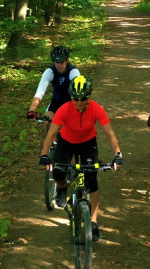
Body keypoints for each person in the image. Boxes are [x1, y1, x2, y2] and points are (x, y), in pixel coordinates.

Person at [40, 76, 123, 240]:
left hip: (87, 144)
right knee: (58, 172)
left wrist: (118, 154)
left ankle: (93, 223)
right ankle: (62, 189)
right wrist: (44, 155)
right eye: (76, 99)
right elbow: (51, 134)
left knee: (92, 180)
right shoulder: (64, 109)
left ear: (88, 97)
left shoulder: (96, 109)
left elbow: (110, 134)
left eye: (83, 99)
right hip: (66, 143)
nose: (79, 103)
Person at [27, 45, 80, 120]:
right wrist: (31, 110)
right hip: (56, 101)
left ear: (67, 60)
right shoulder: (50, 72)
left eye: (61, 62)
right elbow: (40, 92)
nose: (59, 65)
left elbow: (80, 89)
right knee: (47, 122)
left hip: (71, 101)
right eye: (56, 62)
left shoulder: (73, 71)